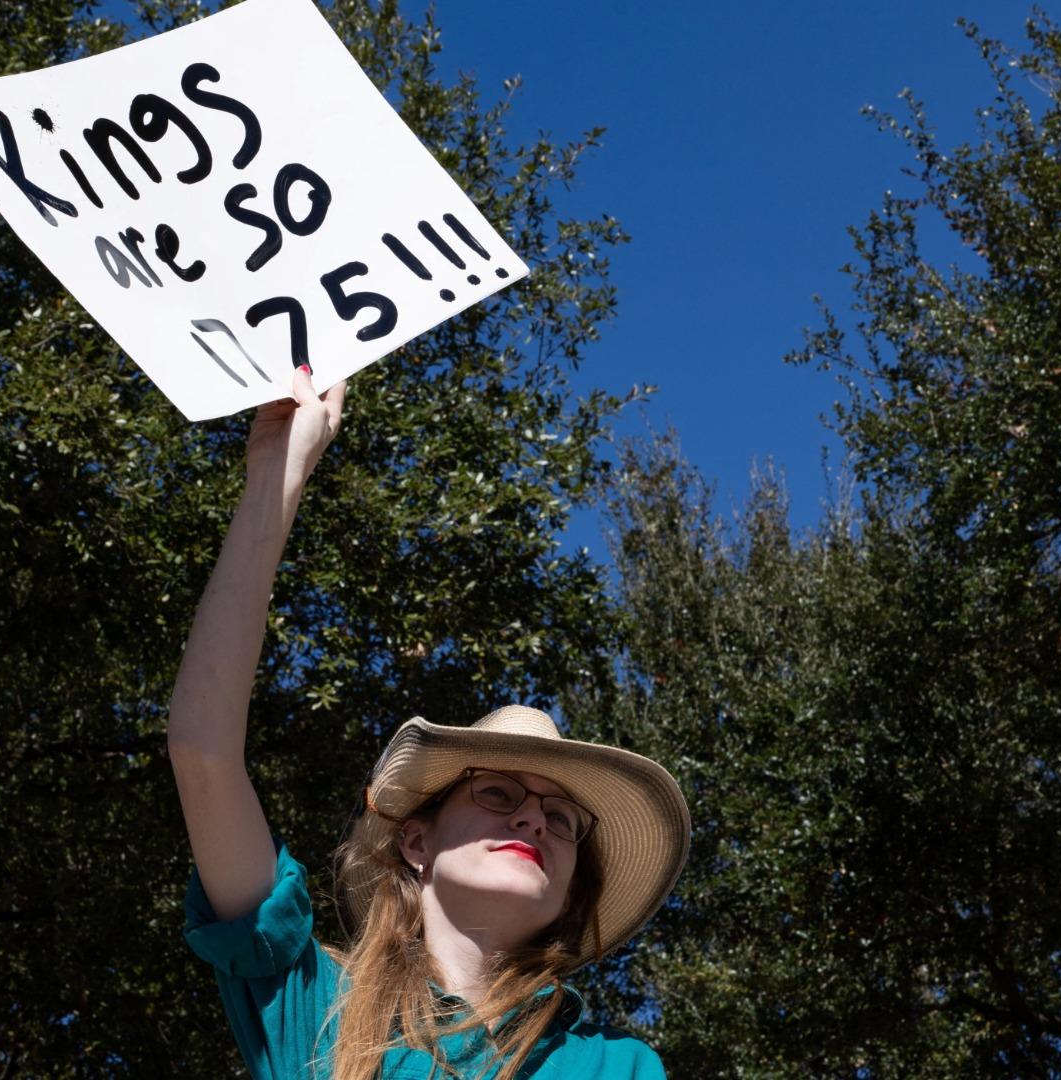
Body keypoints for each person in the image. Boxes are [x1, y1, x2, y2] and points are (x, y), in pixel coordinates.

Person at [168, 366, 690, 1079]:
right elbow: (204, 752)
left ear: (570, 895)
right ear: (416, 840)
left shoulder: (615, 1067)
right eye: (500, 796)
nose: (537, 821)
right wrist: (275, 474)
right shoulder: (319, 1015)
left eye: (563, 818)